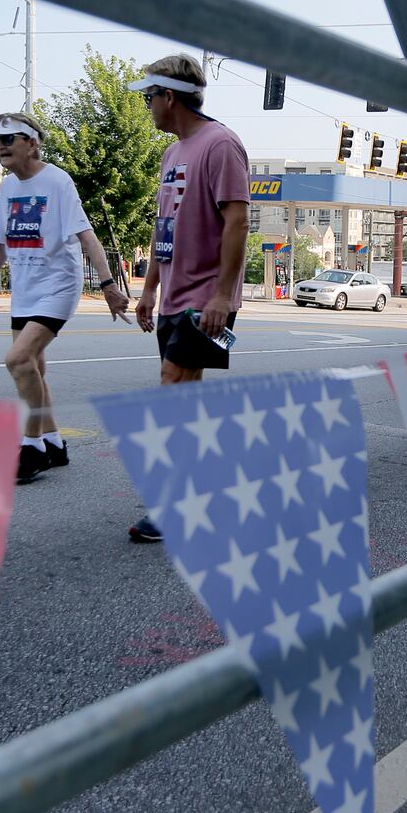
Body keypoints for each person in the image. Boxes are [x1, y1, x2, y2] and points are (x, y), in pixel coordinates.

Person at [0, 112, 131, 485]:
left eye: (8, 139)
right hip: (25, 289)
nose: (0, 147)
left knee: (17, 359)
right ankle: (54, 443)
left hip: (58, 285)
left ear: (32, 142)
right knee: (34, 369)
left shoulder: (58, 181)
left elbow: (86, 236)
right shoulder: (8, 187)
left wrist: (108, 284)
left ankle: (32, 448)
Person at [127, 53, 250, 543]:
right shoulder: (172, 153)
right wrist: (149, 288)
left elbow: (238, 221)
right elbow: (165, 227)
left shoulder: (220, 145)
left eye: (147, 97)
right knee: (185, 397)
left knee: (172, 387)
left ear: (168, 97)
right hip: (174, 293)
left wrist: (223, 295)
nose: (146, 106)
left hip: (206, 296)